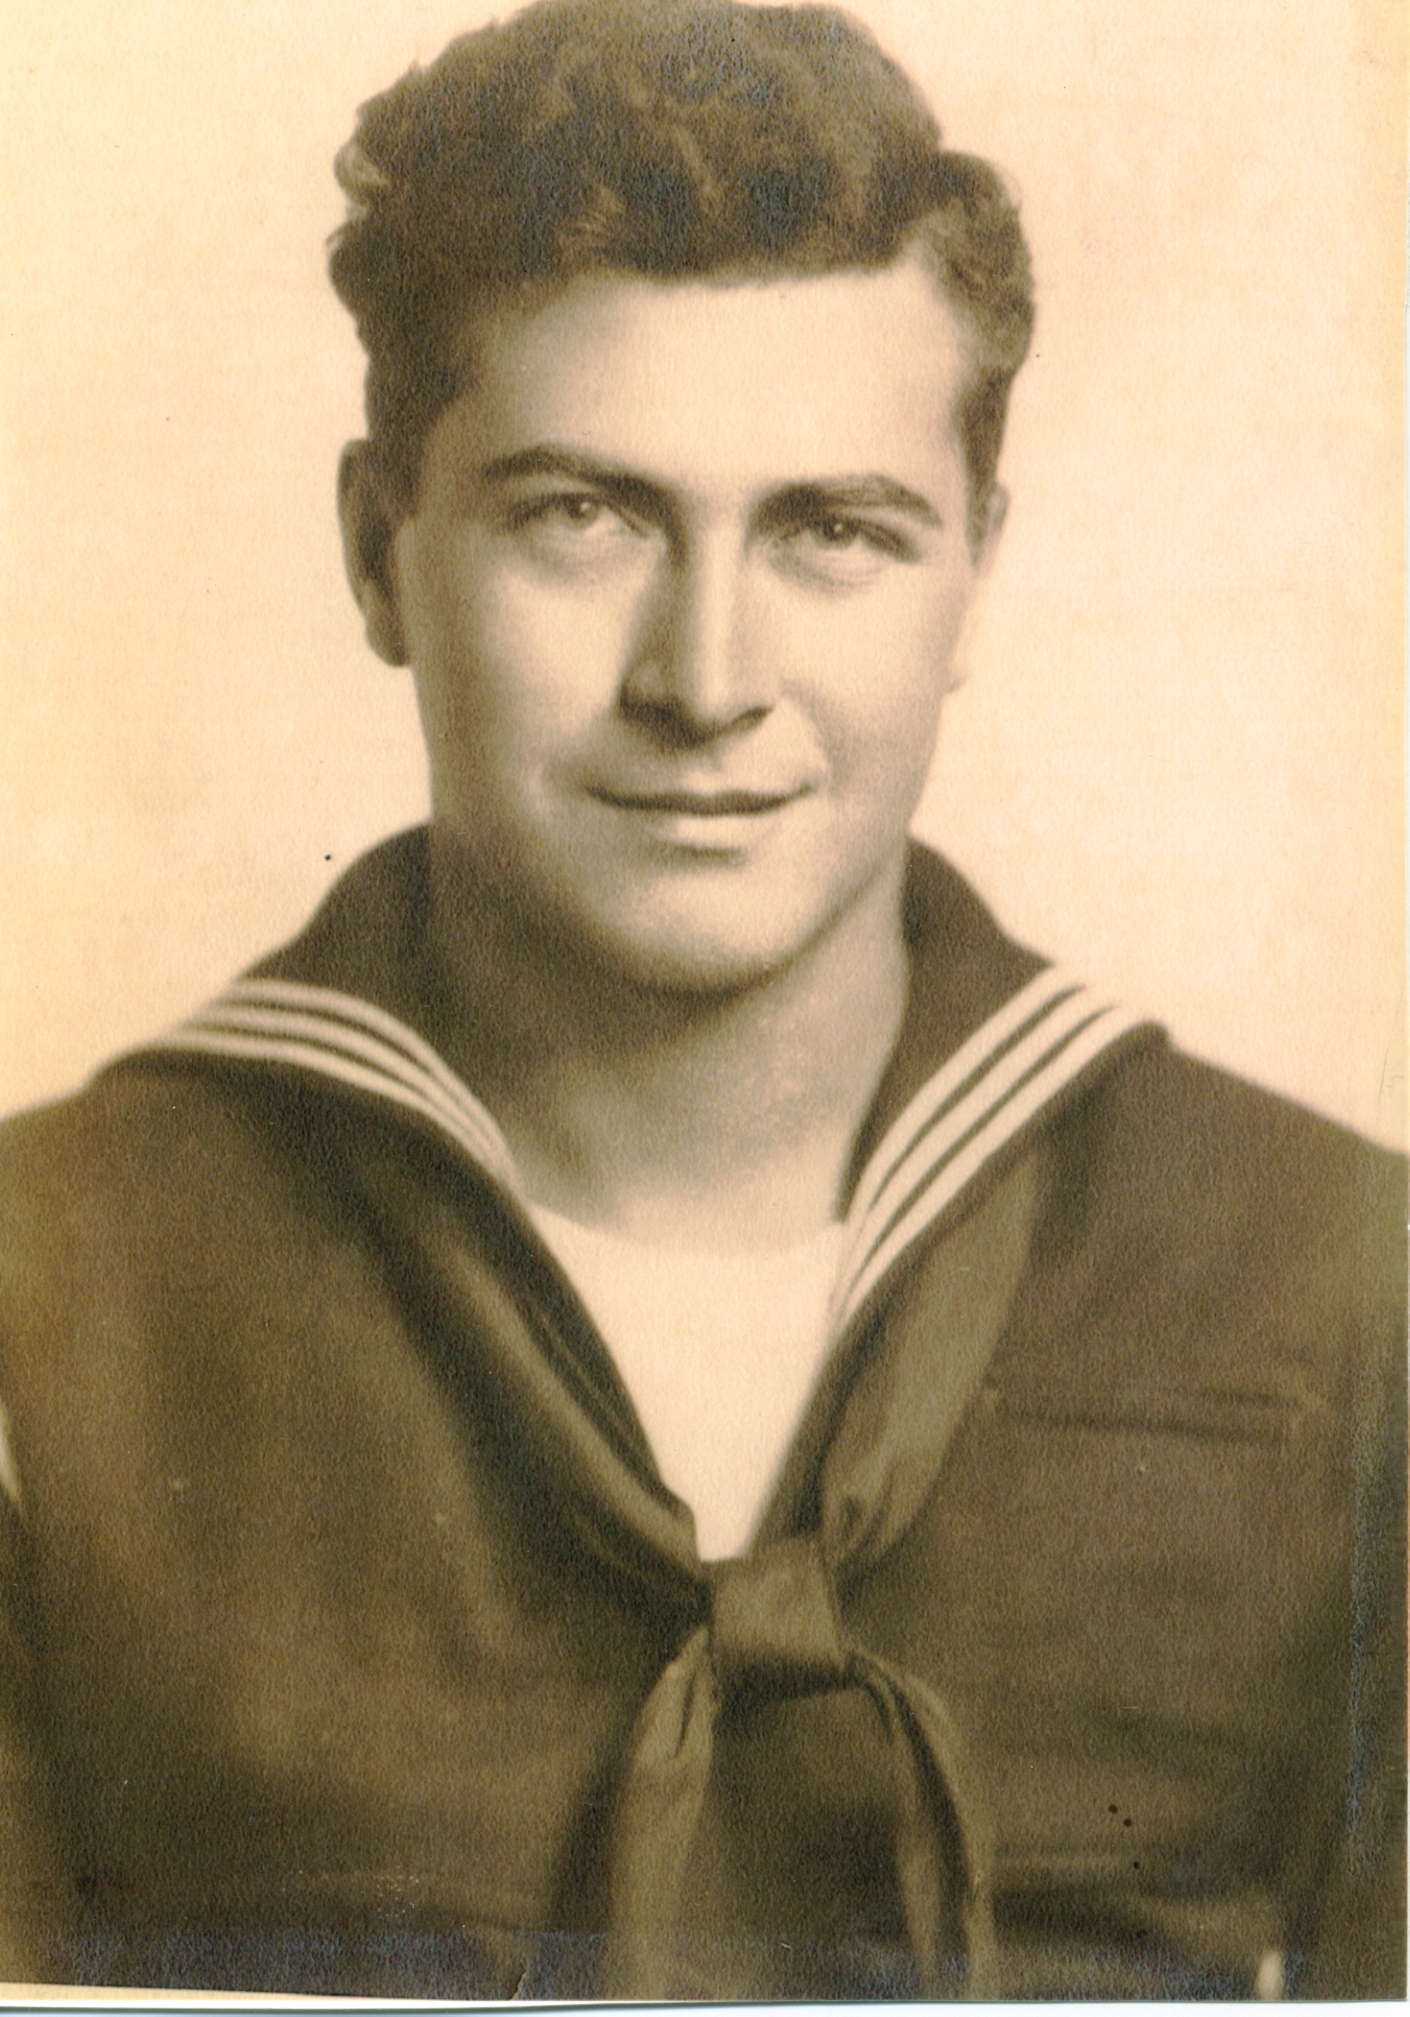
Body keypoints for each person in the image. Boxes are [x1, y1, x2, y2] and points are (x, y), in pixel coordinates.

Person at [0, 0, 1401, 1999]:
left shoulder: (1345, 1290)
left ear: (974, 575)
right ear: (380, 556)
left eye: (833, 531)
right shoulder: (40, 1298)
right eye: (581, 515)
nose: (708, 677)